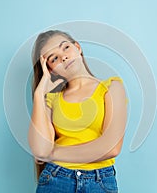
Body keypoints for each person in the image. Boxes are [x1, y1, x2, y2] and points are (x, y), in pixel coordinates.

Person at [28, 30, 128, 193]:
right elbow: (40, 150)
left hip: (99, 181)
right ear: (51, 70)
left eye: (65, 48)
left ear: (77, 47)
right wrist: (39, 94)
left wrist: (52, 153)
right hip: (56, 179)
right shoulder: (50, 99)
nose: (63, 57)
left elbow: (111, 148)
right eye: (54, 58)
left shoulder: (112, 88)